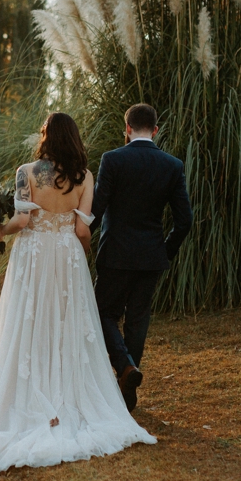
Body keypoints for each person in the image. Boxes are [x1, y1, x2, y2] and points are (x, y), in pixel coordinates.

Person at [0, 112, 156, 472]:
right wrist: (82, 255)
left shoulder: (27, 172)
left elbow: (23, 221)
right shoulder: (84, 176)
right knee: (66, 323)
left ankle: (30, 399)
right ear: (74, 138)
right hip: (67, 256)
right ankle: (73, 399)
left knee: (29, 322)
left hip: (34, 256)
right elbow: (82, 230)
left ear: (45, 136)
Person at [89, 103, 193, 412]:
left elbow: (95, 212)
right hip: (151, 258)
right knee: (137, 319)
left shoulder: (113, 160)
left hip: (116, 255)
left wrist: (76, 239)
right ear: (156, 131)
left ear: (127, 129)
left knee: (103, 313)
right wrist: (164, 250)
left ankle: (124, 368)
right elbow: (184, 220)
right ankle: (126, 380)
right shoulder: (172, 165)